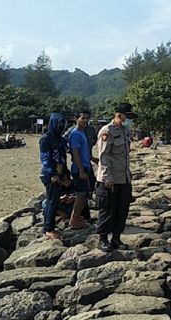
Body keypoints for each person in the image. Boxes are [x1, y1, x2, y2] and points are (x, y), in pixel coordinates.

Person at [95, 103, 137, 252]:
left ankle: (116, 238)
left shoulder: (125, 131)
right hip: (110, 179)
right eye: (128, 116)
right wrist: (107, 177)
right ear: (119, 115)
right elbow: (103, 156)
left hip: (124, 177)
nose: (129, 120)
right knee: (107, 210)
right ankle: (103, 239)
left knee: (122, 209)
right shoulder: (107, 131)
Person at [39, 113, 69, 240]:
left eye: (63, 124)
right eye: (59, 124)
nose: (61, 126)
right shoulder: (46, 139)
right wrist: (52, 174)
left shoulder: (61, 139)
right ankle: (48, 229)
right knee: (52, 200)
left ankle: (54, 221)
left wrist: (66, 175)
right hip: (50, 175)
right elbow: (45, 158)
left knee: (57, 199)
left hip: (61, 173)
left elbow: (63, 158)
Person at [68, 110, 92, 229]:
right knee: (80, 195)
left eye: (87, 118)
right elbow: (75, 153)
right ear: (76, 119)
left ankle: (75, 218)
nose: (85, 120)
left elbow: (84, 151)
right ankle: (74, 220)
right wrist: (81, 171)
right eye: (83, 118)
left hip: (85, 167)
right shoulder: (75, 133)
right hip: (79, 169)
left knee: (84, 195)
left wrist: (92, 159)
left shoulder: (83, 133)